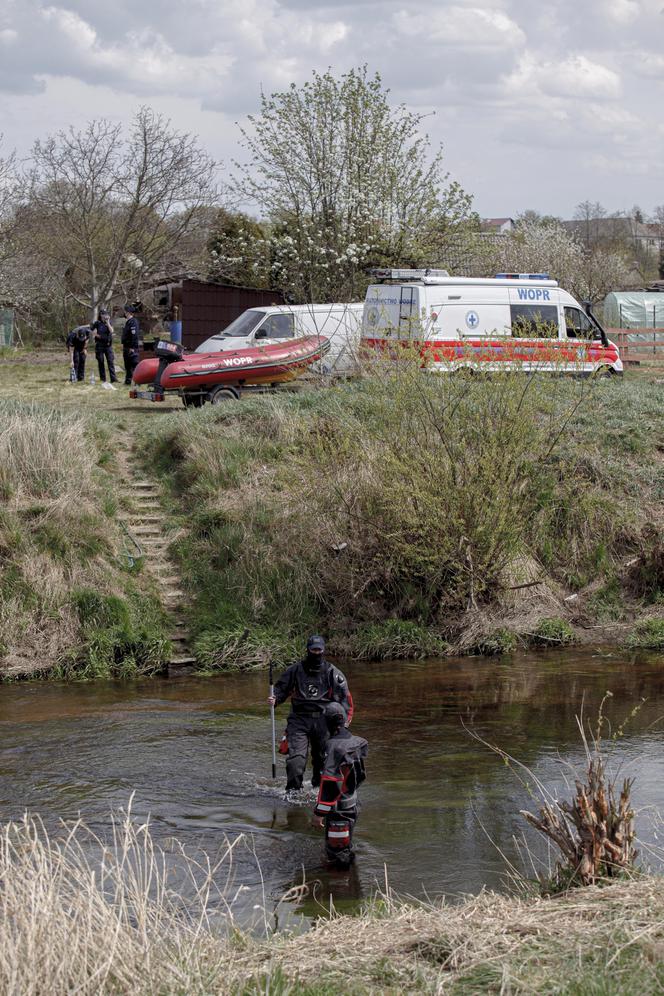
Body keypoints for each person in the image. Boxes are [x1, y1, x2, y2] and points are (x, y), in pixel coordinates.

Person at [268, 635, 354, 794]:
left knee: (322, 762)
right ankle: (293, 794)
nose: (316, 652)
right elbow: (281, 689)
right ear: (307, 650)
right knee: (296, 761)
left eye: (319, 649)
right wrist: (276, 699)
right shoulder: (294, 670)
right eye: (313, 649)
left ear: (324, 650)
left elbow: (345, 701)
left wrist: (343, 727)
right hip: (298, 720)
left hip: (323, 721)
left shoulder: (333, 673)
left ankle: (317, 791)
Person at [312, 702, 368, 867]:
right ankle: (353, 886)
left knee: (337, 858)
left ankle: (338, 890)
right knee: (345, 850)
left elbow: (331, 783)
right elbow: (361, 776)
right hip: (352, 804)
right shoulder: (356, 742)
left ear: (327, 724)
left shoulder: (333, 747)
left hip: (338, 810)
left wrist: (319, 813)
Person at [90, 308, 118, 384]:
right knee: (101, 362)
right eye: (103, 314)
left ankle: (113, 379)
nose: (105, 316)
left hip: (108, 346)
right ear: (101, 315)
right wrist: (96, 335)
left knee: (110, 362)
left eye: (106, 314)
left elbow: (112, 331)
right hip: (99, 345)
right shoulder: (97, 323)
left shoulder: (109, 322)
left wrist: (108, 322)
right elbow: (91, 330)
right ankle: (103, 379)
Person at [121, 304, 141, 385]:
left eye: (125, 312)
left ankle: (138, 381)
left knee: (134, 364)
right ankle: (128, 380)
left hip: (131, 347)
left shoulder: (133, 322)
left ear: (129, 313)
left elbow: (134, 335)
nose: (124, 313)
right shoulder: (128, 322)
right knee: (127, 365)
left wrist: (132, 347)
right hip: (126, 347)